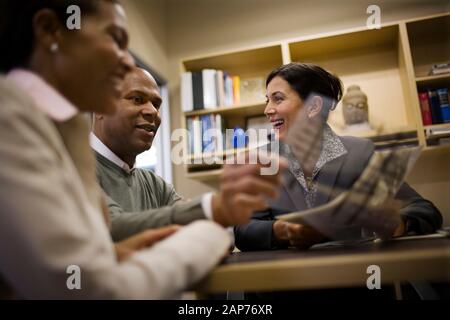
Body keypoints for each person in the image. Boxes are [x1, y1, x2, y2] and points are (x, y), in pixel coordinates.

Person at [0, 0, 283, 299]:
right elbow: (92, 288)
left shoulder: (62, 132)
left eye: (157, 104)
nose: (125, 61)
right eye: (115, 39)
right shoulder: (11, 117)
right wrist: (206, 237)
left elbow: (84, 265)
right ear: (49, 30)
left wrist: (114, 257)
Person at [235, 62, 442, 252]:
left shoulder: (360, 153)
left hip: (353, 280)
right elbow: (243, 231)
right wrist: (282, 231)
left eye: (278, 99)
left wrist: (398, 224)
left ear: (314, 107)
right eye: (267, 100)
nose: (267, 110)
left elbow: (425, 210)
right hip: (285, 283)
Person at [91, 67, 284, 241]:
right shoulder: (72, 169)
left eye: (156, 104)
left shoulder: (154, 184)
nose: (152, 111)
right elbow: (111, 227)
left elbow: (213, 236)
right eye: (137, 99)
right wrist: (212, 208)